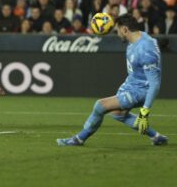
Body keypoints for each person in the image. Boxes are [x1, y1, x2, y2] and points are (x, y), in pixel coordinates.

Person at [57, 14, 168, 146]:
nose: (117, 33)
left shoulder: (145, 50)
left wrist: (144, 112)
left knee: (100, 106)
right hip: (132, 85)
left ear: (125, 29)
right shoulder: (138, 38)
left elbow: (154, 84)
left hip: (140, 91)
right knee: (117, 113)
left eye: (118, 30)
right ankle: (156, 137)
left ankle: (78, 139)